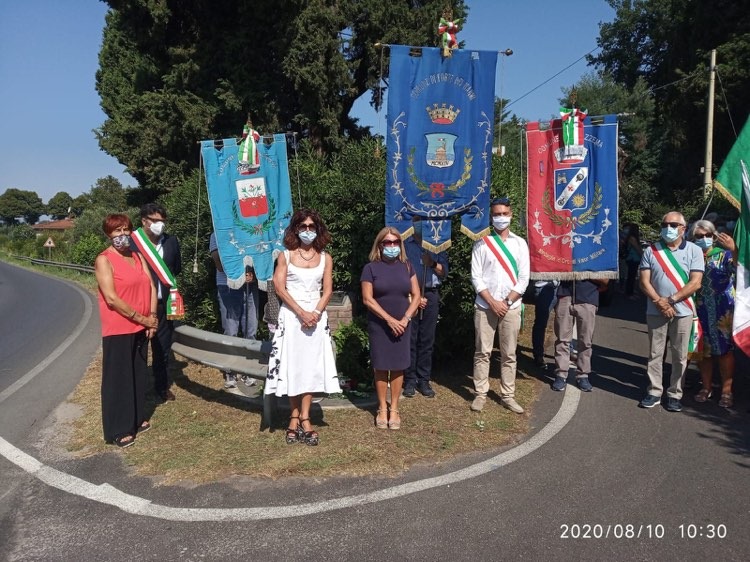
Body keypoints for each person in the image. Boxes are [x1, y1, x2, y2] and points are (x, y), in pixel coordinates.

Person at [265, 209, 340, 445]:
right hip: (292, 316)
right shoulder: (284, 256)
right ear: (295, 229)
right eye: (303, 226)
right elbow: (279, 288)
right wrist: (301, 312)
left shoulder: (325, 257)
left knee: (310, 368)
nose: (308, 230)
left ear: (317, 229)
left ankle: (305, 417)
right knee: (293, 366)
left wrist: (315, 313)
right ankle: (293, 417)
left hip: (316, 318)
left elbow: (327, 290)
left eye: (311, 226)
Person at [94, 214, 158, 447]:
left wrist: (151, 317)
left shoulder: (137, 256)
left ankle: (136, 417)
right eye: (116, 231)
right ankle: (119, 428)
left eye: (125, 229)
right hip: (119, 327)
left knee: (137, 374)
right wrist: (141, 318)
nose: (122, 235)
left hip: (142, 326)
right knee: (118, 378)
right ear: (108, 235)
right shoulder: (104, 260)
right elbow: (111, 298)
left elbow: (150, 285)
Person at [638, 211, 704, 411]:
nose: (669, 228)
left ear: (683, 228)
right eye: (665, 224)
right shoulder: (651, 250)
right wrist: (659, 302)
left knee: (680, 355)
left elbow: (695, 283)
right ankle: (654, 391)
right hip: (655, 309)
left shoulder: (694, 250)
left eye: (674, 225)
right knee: (655, 353)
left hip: (683, 311)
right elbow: (644, 282)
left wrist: (670, 300)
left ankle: (675, 393)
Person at [470, 197, 530, 414]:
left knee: (509, 354)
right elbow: (476, 277)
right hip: (485, 306)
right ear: (491, 216)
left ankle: (508, 395)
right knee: (482, 352)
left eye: (505, 214)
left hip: (511, 307)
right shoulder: (481, 242)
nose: (501, 218)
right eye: (497, 214)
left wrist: (505, 302)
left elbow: (523, 278)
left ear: (511, 215)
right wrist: (492, 302)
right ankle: (480, 393)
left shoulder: (520, 243)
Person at [361, 227, 421, 429]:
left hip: (402, 325)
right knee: (381, 365)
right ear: (380, 245)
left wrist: (404, 319)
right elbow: (367, 299)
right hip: (380, 324)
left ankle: (394, 408)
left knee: (398, 365)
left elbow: (416, 296)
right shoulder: (370, 268)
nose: (392, 246)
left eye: (396, 242)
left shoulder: (407, 266)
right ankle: (382, 408)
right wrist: (389, 320)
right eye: (388, 243)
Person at [137, 203, 182, 402]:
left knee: (162, 349)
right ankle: (136, 388)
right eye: (155, 221)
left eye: (163, 221)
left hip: (164, 305)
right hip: (139, 305)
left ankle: (161, 387)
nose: (160, 225)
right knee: (138, 349)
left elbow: (176, 269)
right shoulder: (133, 243)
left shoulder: (171, 241)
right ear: (144, 221)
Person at [690, 220, 737, 408]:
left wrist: (734, 249)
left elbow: (740, 270)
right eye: (699, 236)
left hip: (723, 309)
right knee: (704, 351)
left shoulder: (724, 255)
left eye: (708, 235)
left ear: (714, 236)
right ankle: (706, 387)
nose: (704, 239)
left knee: (725, 351)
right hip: (699, 309)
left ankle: (727, 391)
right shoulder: (692, 257)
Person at [403, 217, 449, 398]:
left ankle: (424, 379)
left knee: (427, 339)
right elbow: (400, 272)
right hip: (410, 295)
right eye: (416, 220)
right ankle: (409, 380)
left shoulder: (437, 244)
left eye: (423, 220)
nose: (419, 223)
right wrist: (413, 296)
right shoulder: (405, 245)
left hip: (430, 293)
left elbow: (444, 272)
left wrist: (432, 263)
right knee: (410, 338)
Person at [209, 231, 259, 388]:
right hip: (227, 286)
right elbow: (218, 261)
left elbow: (260, 257)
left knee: (250, 330)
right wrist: (240, 274)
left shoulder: (250, 231)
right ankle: (230, 372)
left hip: (250, 287)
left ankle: (248, 371)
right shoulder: (217, 233)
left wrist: (254, 274)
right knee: (231, 331)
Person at [551, 279, 609, 392]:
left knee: (585, 341)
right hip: (565, 293)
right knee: (562, 339)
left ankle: (583, 375)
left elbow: (605, 280)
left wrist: (582, 270)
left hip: (588, 296)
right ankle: (561, 374)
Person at [531, 279, 559, 368]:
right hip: (545, 286)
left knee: (566, 322)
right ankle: (538, 355)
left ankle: (568, 350)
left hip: (563, 287)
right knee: (541, 323)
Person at [624, 223, 643, 299]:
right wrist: (643, 255)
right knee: (631, 276)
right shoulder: (633, 238)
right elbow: (637, 248)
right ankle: (629, 293)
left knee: (632, 276)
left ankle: (630, 291)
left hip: (633, 259)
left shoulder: (630, 237)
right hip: (632, 259)